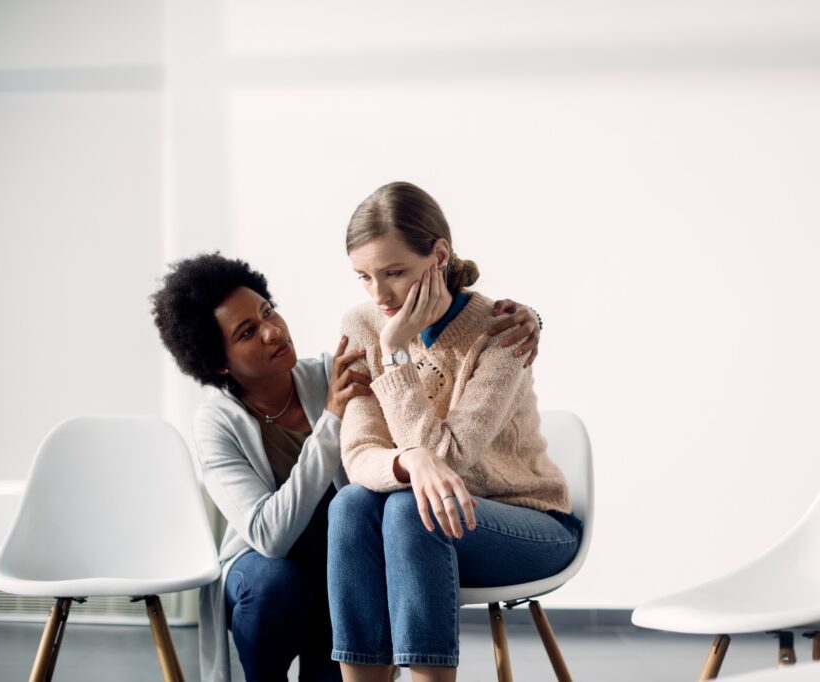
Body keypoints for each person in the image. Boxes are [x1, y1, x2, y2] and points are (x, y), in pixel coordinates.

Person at [150, 252, 542, 682]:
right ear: (219, 362)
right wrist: (331, 421)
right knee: (271, 584)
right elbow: (268, 535)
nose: (272, 331)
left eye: (267, 311)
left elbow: (422, 361)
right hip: (268, 569)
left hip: (342, 564)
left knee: (353, 522)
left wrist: (527, 318)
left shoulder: (333, 372)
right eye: (247, 332)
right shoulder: (216, 422)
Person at [329, 182, 582, 682]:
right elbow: (359, 453)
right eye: (364, 277)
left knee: (409, 507)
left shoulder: (502, 330)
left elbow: (452, 458)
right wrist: (410, 461)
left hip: (527, 522)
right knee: (352, 505)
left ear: (438, 255)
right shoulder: (361, 324)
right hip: (433, 519)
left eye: (394, 273)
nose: (380, 295)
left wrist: (397, 351)